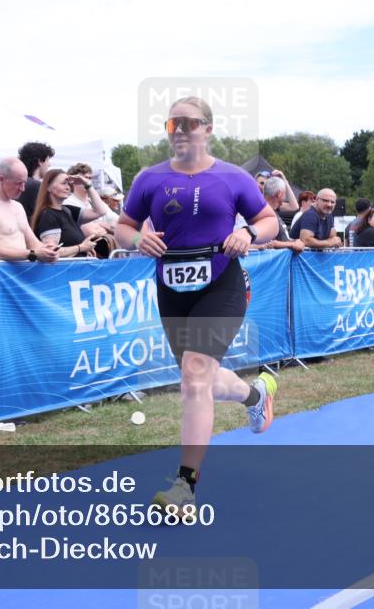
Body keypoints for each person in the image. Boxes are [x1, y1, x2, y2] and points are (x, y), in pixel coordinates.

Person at [113, 96, 280, 514]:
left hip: (221, 283)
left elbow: (269, 220)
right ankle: (254, 395)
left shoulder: (233, 177)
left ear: (208, 129)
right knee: (198, 379)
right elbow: (123, 227)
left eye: (189, 123)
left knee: (194, 375)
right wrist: (137, 240)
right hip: (171, 287)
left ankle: (185, 486)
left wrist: (249, 235)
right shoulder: (148, 179)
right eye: (172, 125)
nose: (181, 131)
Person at [0, 157, 58, 262]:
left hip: (21, 273)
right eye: (18, 183)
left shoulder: (18, 207)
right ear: (2, 179)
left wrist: (48, 250)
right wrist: (32, 254)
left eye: (24, 182)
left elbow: (33, 243)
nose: (22, 188)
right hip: (1, 274)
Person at [31, 169, 112, 258]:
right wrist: (81, 248)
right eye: (63, 183)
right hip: (65, 270)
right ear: (48, 187)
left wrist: (87, 184)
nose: (68, 187)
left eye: (69, 184)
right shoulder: (48, 215)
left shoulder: (67, 210)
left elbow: (100, 211)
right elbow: (51, 251)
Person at [257, 176, 304, 252]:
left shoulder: (272, 210)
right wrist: (291, 244)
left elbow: (294, 207)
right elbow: (267, 244)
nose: (285, 196)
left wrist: (293, 242)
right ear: (279, 193)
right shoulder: (263, 213)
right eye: (285, 193)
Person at [18, 142, 55, 221]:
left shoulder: (21, 183)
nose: (49, 165)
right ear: (40, 161)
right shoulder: (35, 185)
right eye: (47, 160)